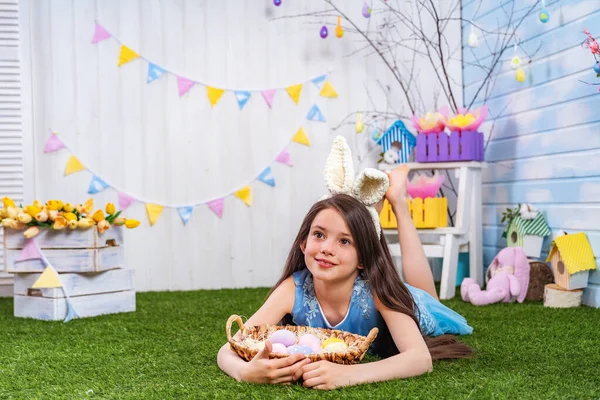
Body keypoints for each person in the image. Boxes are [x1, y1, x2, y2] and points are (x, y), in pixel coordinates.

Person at [217, 138, 472, 390]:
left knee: (427, 298)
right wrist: (245, 371)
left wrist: (347, 374)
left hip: (411, 303)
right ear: (303, 244)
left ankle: (398, 201)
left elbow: (420, 359)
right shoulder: (292, 289)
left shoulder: (378, 290)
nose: (326, 248)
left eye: (344, 241)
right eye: (319, 235)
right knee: (360, 228)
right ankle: (368, 218)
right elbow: (228, 349)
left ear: (363, 259)